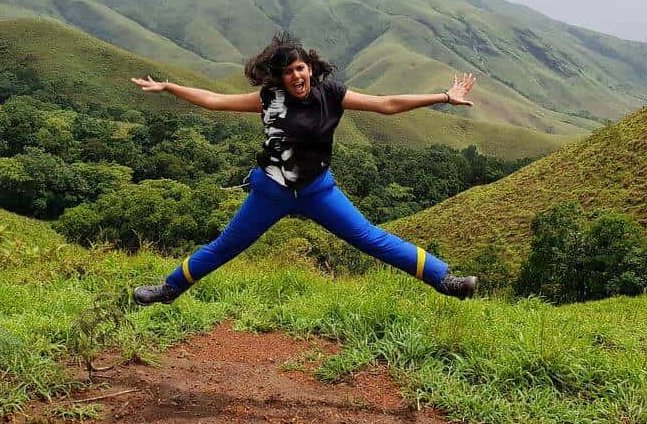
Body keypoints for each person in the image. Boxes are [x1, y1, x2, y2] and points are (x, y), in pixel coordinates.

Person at [130, 32, 479, 305]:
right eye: (288, 71)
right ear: (280, 78)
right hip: (270, 191)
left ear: (310, 69)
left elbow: (386, 105)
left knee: (371, 238)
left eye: (300, 68)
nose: (296, 75)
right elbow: (214, 101)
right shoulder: (269, 99)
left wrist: (444, 97)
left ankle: (444, 280)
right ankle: (169, 289)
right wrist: (168, 86)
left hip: (317, 191)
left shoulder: (332, 94)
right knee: (225, 246)